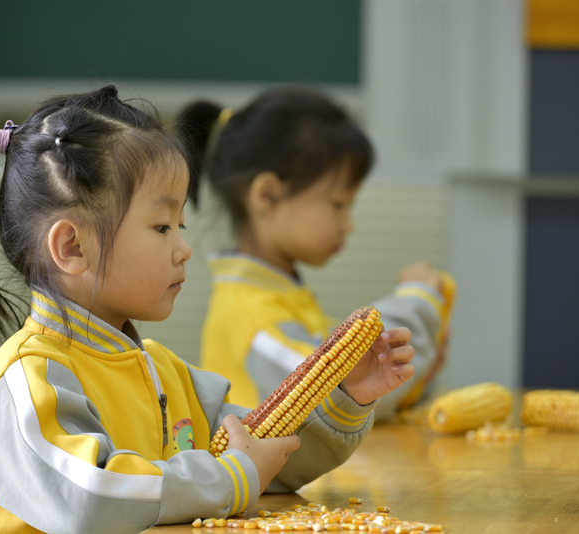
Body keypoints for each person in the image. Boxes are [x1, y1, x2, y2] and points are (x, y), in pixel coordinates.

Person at [0, 84, 416, 534]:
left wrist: (345, 400)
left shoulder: (169, 375)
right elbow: (93, 494)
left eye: (181, 225)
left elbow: (266, 452)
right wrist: (230, 478)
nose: (184, 248)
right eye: (163, 227)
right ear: (73, 247)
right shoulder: (29, 380)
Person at [177, 86, 451, 420]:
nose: (348, 224)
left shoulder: (283, 295)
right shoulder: (251, 317)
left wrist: (416, 374)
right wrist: (417, 302)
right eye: (338, 204)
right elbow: (340, 390)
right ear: (267, 195)